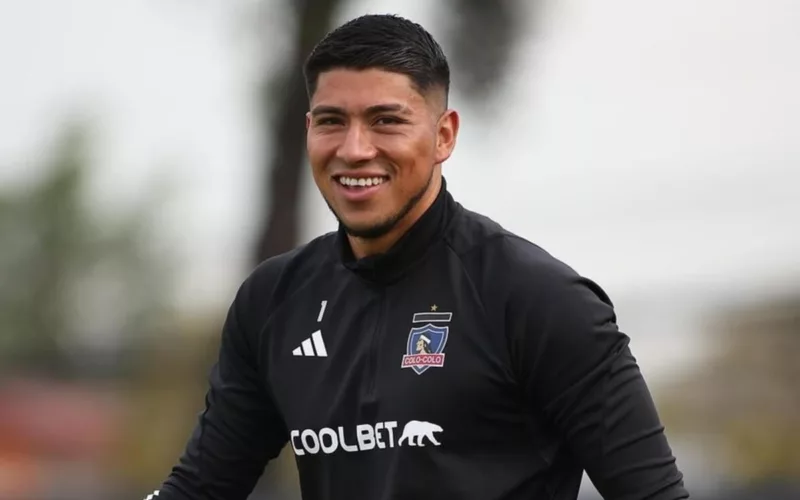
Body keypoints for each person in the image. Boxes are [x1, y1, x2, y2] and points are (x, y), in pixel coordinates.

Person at [145, 13, 689, 500]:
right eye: (333, 121)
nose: (355, 149)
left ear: (443, 135)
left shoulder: (539, 299)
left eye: (387, 120)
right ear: (310, 131)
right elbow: (200, 489)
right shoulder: (272, 302)